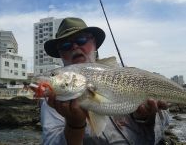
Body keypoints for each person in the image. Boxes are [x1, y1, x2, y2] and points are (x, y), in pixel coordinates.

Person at [40, 17, 170, 145]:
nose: (74, 47)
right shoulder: (54, 99)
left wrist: (146, 117)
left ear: (94, 43)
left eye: (81, 39)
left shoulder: (125, 76)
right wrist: (74, 126)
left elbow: (165, 119)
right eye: (65, 45)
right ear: (60, 54)